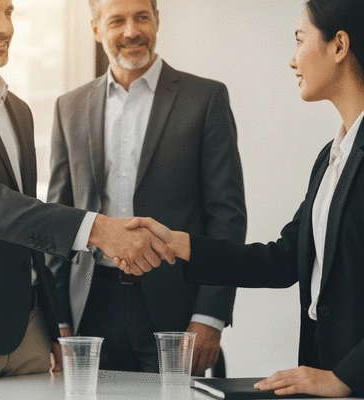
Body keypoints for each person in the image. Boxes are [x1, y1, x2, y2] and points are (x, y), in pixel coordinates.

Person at [118, 0, 364, 396]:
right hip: (323, 369)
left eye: (300, 40)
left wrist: (347, 376)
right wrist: (180, 244)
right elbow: (284, 260)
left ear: (339, 46)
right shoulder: (332, 156)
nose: (292, 59)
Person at [0, 0, 173, 381]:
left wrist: (53, 319)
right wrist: (98, 229)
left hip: (29, 332)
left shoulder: (18, 110)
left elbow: (28, 229)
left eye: (9, 13)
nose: (4, 27)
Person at [46, 0, 246, 375]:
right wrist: (57, 320)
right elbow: (59, 218)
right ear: (95, 29)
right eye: (116, 20)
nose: (131, 31)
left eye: (142, 17)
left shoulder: (205, 98)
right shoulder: (68, 107)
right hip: (90, 308)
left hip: (178, 311)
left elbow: (227, 217)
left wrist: (210, 315)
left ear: (157, 21)